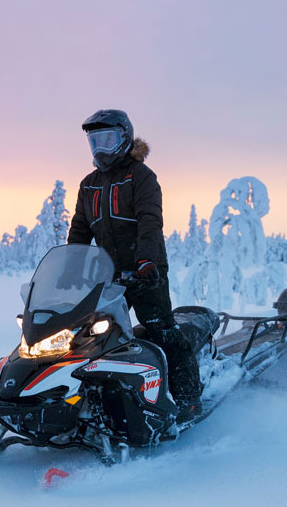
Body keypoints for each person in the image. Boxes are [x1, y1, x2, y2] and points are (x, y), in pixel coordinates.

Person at [66, 109, 202, 420]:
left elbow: (150, 221)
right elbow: (79, 228)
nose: (100, 148)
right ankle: (89, 397)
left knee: (161, 331)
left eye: (107, 139)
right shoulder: (89, 184)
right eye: (94, 141)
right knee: (92, 336)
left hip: (146, 271)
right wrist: (69, 267)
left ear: (124, 139)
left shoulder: (141, 177)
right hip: (108, 275)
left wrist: (146, 261)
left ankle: (188, 399)